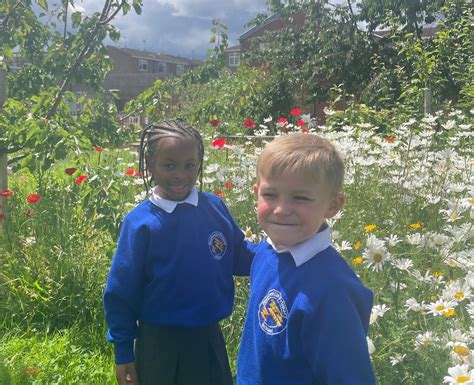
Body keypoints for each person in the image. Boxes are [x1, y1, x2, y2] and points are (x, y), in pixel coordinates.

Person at [104, 119, 254, 385]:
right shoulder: (140, 224)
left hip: (208, 339)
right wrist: (123, 349)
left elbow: (239, 255)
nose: (181, 175)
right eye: (169, 165)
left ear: (199, 163)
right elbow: (120, 291)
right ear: (150, 165)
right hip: (159, 344)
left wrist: (278, 253)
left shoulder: (214, 208)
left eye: (189, 165)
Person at [237, 133, 375, 385]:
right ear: (256, 193)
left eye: (300, 198)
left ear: (333, 205)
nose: (281, 209)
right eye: (270, 194)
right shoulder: (267, 253)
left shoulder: (332, 291)